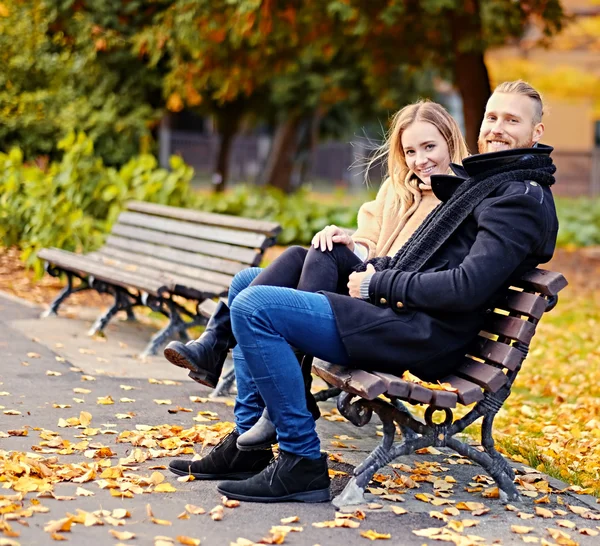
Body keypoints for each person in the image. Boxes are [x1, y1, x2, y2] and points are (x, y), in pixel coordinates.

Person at [169, 80, 558, 505]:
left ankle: (300, 459)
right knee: (269, 280)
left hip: (421, 333)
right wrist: (373, 266)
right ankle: (255, 439)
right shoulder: (490, 184)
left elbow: (465, 287)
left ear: (535, 133)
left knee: (256, 307)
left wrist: (377, 282)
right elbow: (420, 259)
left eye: (512, 120)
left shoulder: (517, 198)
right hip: (407, 316)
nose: (497, 128)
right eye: (493, 117)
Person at [164, 101, 469, 449]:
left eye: (429, 147)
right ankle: (235, 385)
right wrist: (347, 241)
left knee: (265, 284)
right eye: (410, 151)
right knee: (292, 259)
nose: (420, 160)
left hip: (388, 304)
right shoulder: (398, 188)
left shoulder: (456, 200)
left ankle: (222, 347)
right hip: (369, 286)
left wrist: (355, 258)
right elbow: (369, 243)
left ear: (450, 141)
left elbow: (413, 268)